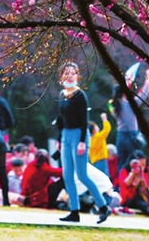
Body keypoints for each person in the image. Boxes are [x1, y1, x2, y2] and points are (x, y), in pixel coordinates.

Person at [56, 61, 110, 224]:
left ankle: (103, 207)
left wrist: (81, 142)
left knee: (82, 175)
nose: (70, 75)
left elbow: (83, 119)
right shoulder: (62, 95)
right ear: (62, 76)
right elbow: (61, 118)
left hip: (79, 135)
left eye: (73, 72)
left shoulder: (80, 95)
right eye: (67, 72)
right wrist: (60, 139)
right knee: (67, 175)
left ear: (77, 75)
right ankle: (74, 211)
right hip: (66, 136)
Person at [89, 113, 112, 178]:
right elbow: (106, 130)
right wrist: (104, 119)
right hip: (101, 161)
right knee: (105, 178)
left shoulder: (89, 140)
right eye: (96, 126)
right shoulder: (98, 137)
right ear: (94, 130)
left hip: (94, 163)